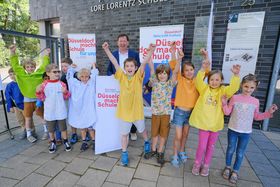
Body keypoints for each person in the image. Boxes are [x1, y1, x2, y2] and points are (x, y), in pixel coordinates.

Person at [103, 42, 154, 166]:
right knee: (124, 134)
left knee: (142, 131)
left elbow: (144, 63)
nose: (130, 68)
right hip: (124, 113)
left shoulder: (138, 77)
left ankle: (147, 142)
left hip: (137, 112)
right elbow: (114, 62)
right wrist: (107, 50)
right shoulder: (121, 76)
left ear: (135, 68)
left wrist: (151, 51)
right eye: (127, 66)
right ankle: (124, 153)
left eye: (132, 66)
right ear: (124, 68)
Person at [221, 74, 278, 184]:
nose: (248, 89)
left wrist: (268, 113)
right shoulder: (234, 98)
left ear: (255, 88)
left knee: (240, 153)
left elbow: (256, 117)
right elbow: (227, 112)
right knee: (230, 149)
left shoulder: (255, 101)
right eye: (246, 86)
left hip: (246, 132)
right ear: (242, 85)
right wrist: (224, 103)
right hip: (233, 129)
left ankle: (235, 171)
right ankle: (228, 167)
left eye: (252, 87)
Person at [190, 61, 241, 177]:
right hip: (204, 124)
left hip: (215, 125)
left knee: (210, 147)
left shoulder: (223, 91)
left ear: (221, 81)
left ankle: (206, 166)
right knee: (202, 146)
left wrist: (236, 76)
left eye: (217, 80)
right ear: (208, 81)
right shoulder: (204, 90)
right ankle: (197, 164)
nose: (214, 82)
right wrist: (203, 69)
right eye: (212, 79)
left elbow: (233, 88)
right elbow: (198, 81)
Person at [169, 45, 210, 167]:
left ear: (194, 70)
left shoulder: (197, 80)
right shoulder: (180, 79)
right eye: (186, 70)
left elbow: (207, 70)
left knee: (186, 135)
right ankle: (175, 154)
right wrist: (176, 55)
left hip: (190, 113)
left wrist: (206, 55)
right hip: (179, 112)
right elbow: (174, 68)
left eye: (191, 69)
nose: (189, 72)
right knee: (178, 135)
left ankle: (182, 151)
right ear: (183, 72)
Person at [144, 48, 182, 164]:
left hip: (165, 114)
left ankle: (160, 151)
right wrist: (150, 53)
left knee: (163, 135)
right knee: (154, 133)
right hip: (155, 113)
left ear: (168, 75)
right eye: (160, 73)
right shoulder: (154, 82)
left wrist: (179, 58)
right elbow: (151, 68)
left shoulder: (170, 84)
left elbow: (175, 71)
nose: (162, 75)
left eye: (164, 73)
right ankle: (153, 150)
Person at [9, 45, 50, 143]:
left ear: (35, 67)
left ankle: (46, 131)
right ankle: (29, 134)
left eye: (32, 67)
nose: (30, 68)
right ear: (25, 68)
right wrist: (13, 53)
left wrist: (46, 55)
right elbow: (15, 66)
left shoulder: (39, 74)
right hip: (27, 100)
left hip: (38, 99)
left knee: (41, 116)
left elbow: (44, 65)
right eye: (28, 67)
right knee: (28, 118)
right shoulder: (22, 75)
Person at [107, 33, 140, 141]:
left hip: (131, 84)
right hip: (118, 83)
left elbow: (138, 68)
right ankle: (123, 130)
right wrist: (111, 75)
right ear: (117, 43)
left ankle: (133, 131)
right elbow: (109, 69)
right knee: (123, 107)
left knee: (132, 106)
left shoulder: (134, 54)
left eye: (124, 41)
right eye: (120, 41)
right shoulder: (114, 54)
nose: (122, 43)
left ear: (128, 42)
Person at [36, 64, 71, 153]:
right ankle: (53, 142)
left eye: (58, 71)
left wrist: (65, 92)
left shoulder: (62, 84)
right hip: (49, 111)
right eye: (54, 72)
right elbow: (41, 98)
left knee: (63, 128)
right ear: (48, 73)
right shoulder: (44, 85)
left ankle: (66, 141)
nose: (57, 73)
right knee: (51, 129)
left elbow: (66, 97)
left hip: (60, 110)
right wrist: (38, 92)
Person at [67, 63, 98, 151]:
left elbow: (95, 75)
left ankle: (94, 141)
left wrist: (93, 66)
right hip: (80, 110)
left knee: (91, 128)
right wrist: (71, 68)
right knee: (83, 128)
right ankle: (84, 142)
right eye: (82, 76)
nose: (84, 78)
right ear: (79, 77)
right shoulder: (76, 85)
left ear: (89, 76)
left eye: (86, 76)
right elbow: (69, 78)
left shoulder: (91, 84)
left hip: (89, 109)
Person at [5, 68, 35, 139]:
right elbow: (8, 96)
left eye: (13, 74)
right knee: (20, 119)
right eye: (10, 75)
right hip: (16, 106)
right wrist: (10, 106)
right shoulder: (10, 85)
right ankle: (24, 130)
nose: (12, 76)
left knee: (28, 118)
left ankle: (32, 131)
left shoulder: (23, 83)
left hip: (25, 104)